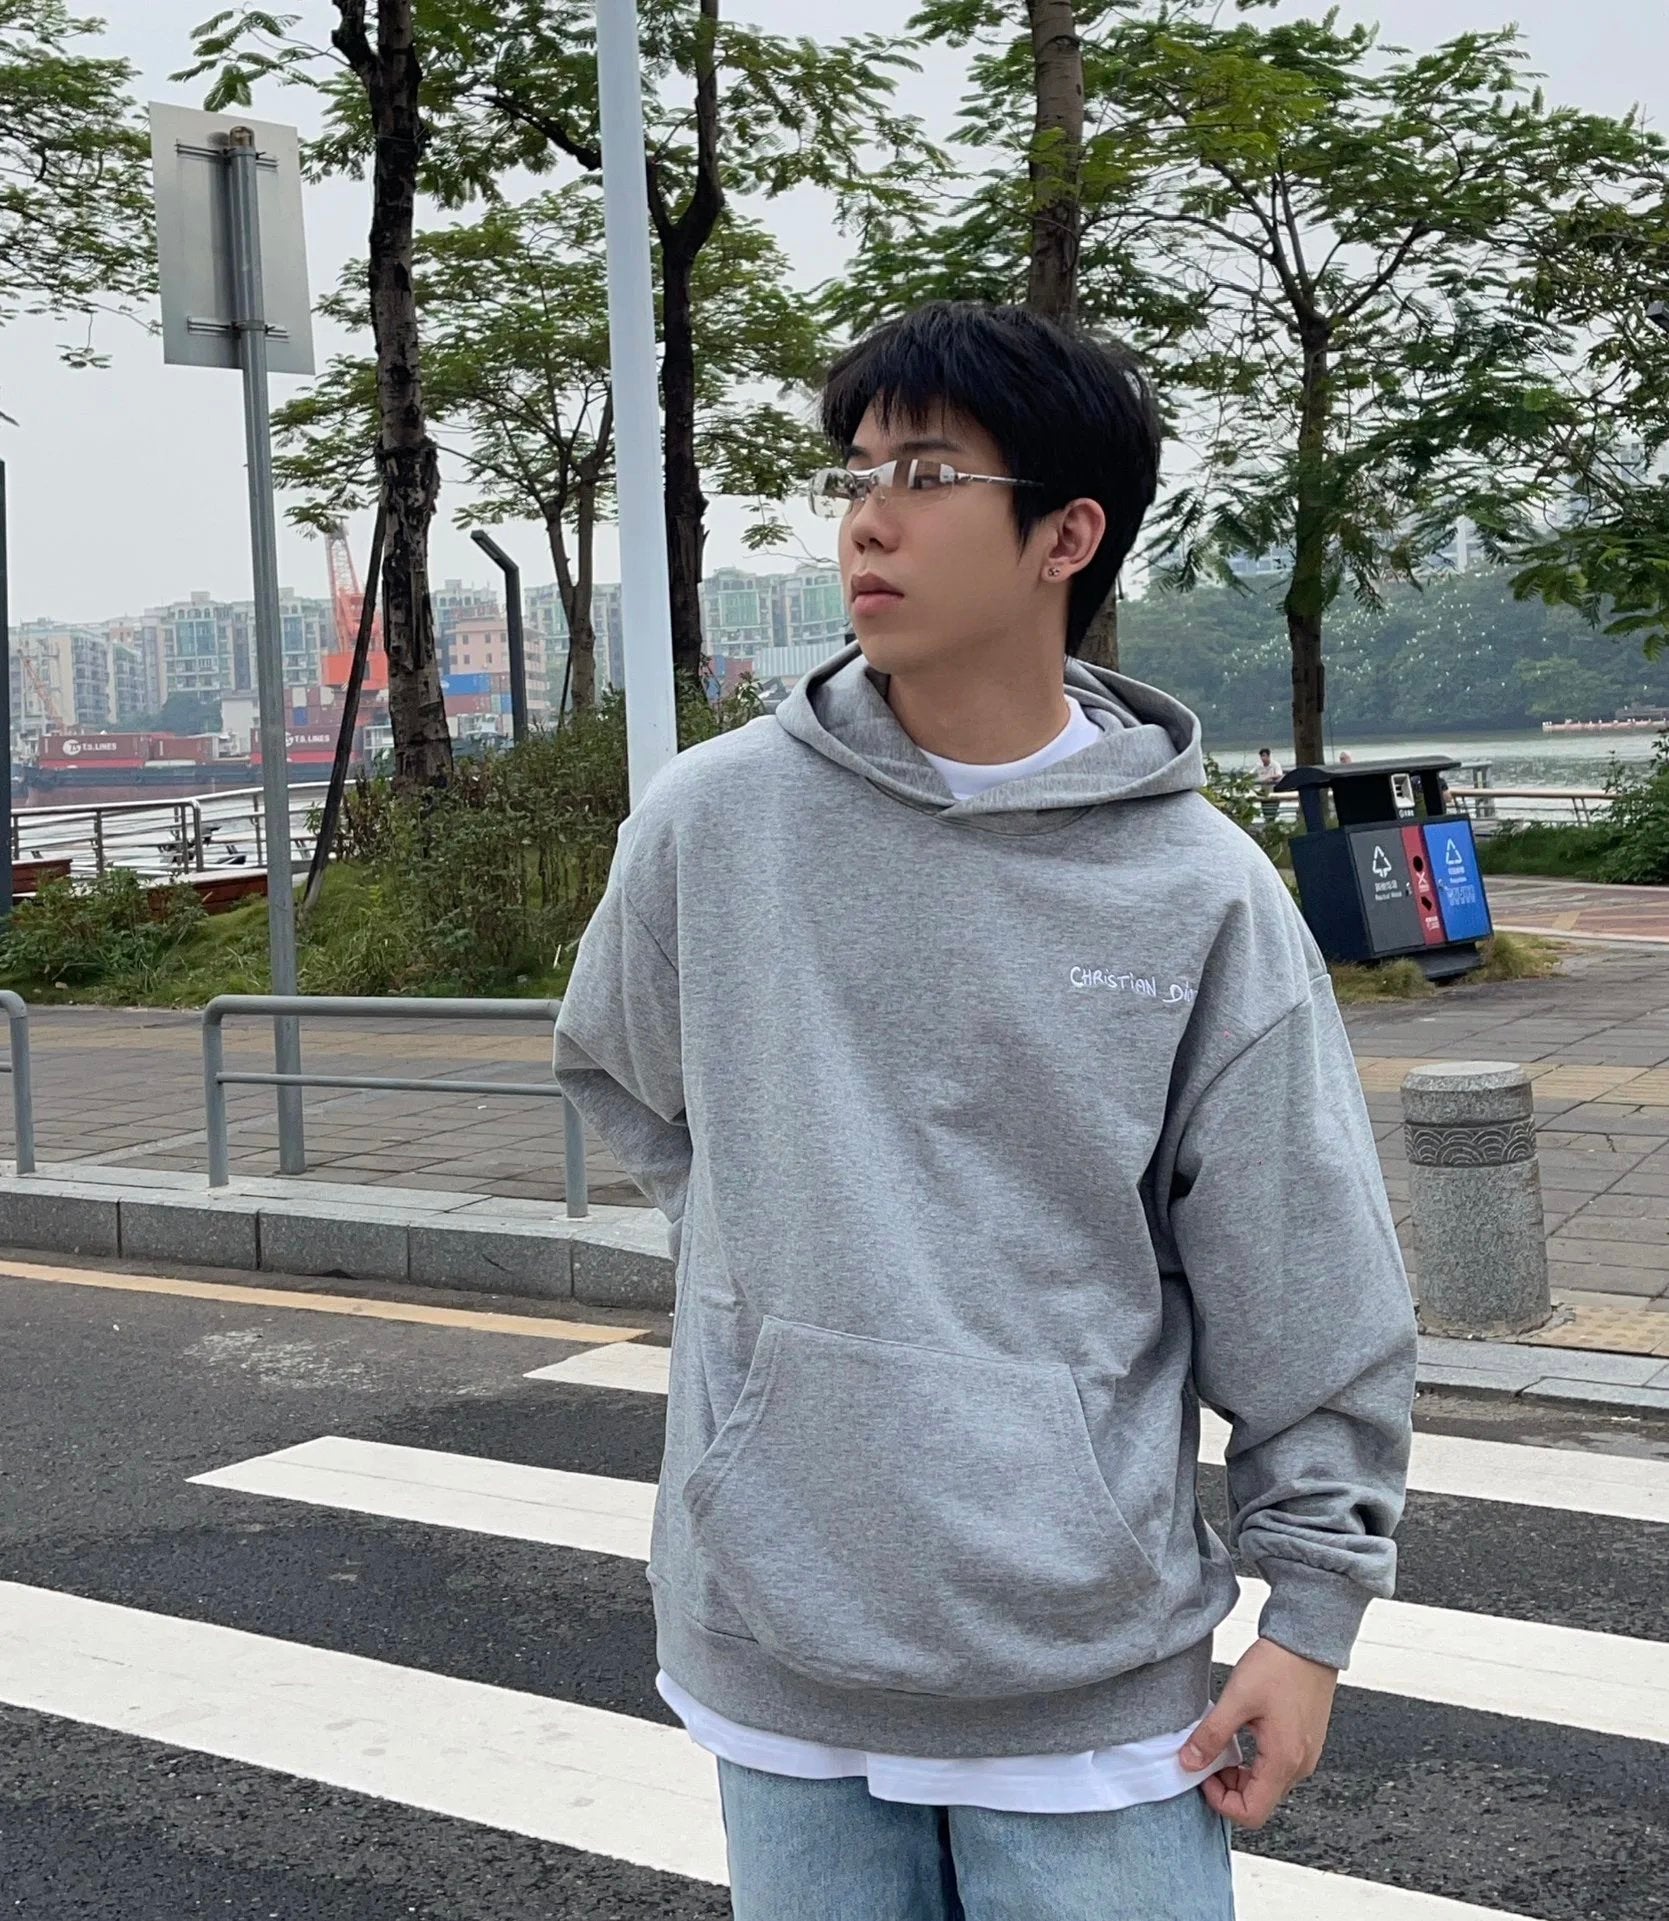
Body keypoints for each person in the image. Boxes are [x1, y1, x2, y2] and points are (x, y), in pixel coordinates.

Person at [554, 301, 1416, 1921]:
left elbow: (1304, 1281)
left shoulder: (1198, 893)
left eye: (929, 473)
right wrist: (780, 1243)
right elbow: (620, 1065)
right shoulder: (712, 826)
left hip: (1089, 1688)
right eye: (856, 471)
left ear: (1064, 537)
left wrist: (1308, 1620)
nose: (866, 519)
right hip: (781, 1654)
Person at [1254, 745, 1284, 824]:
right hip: (1263, 790)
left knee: (1272, 809)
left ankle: (1272, 822)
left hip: (1273, 789)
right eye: (1261, 756)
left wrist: (1270, 777)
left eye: (1264, 756)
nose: (1262, 758)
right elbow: (1251, 774)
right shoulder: (1259, 766)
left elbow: (1279, 774)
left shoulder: (1275, 764)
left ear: (1268, 756)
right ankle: (1267, 822)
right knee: (1265, 809)